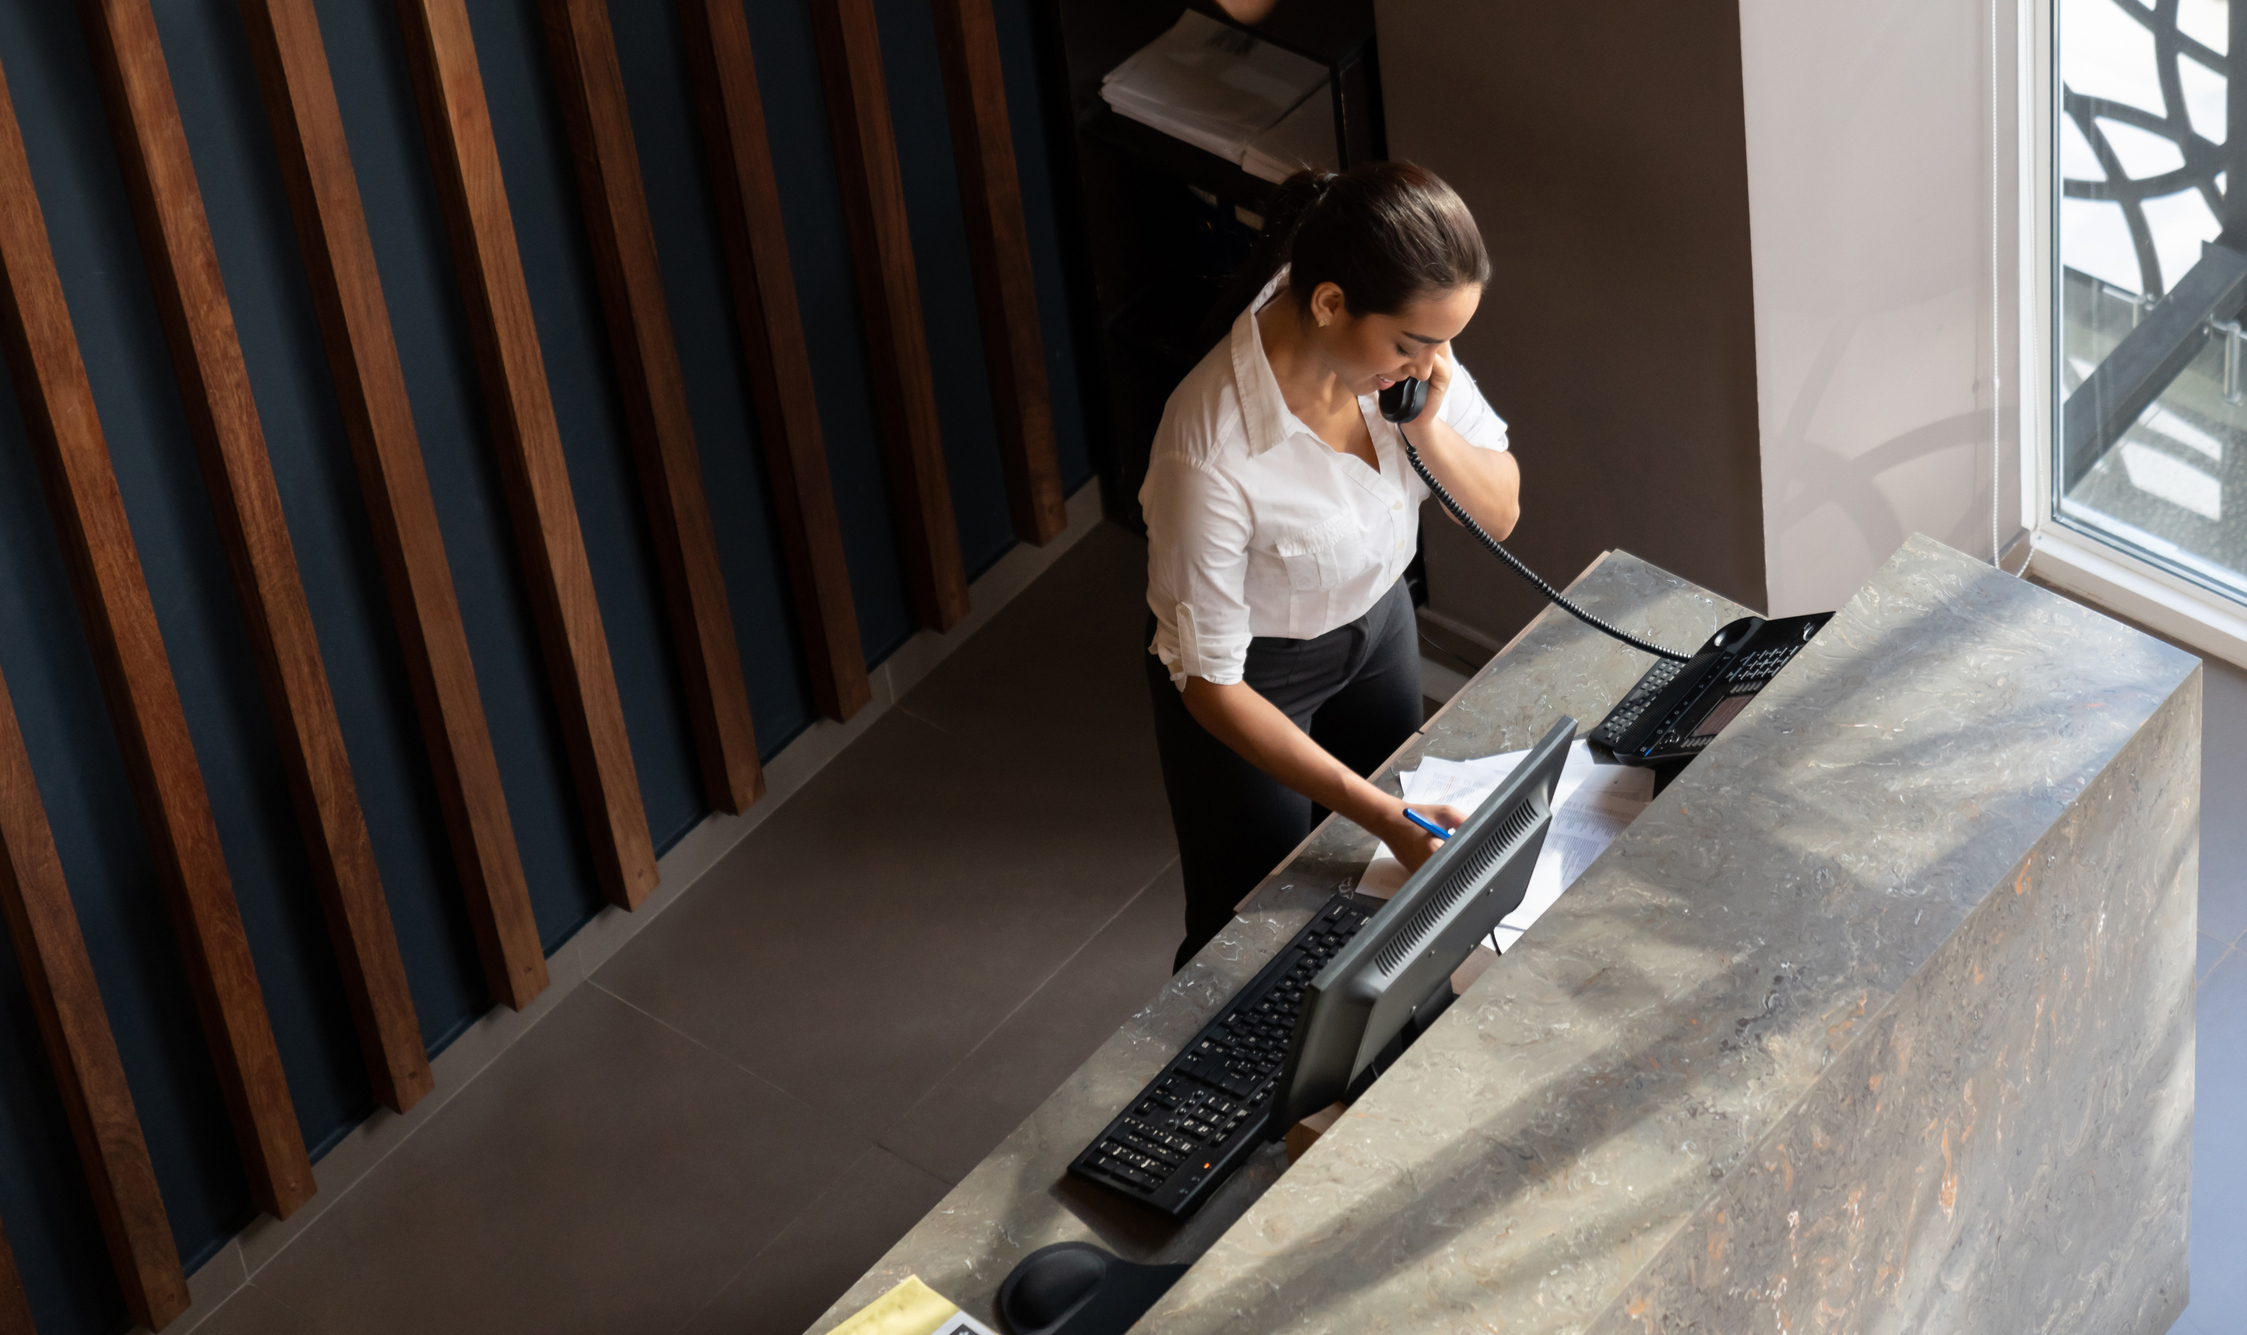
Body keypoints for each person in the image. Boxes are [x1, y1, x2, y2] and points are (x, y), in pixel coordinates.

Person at [1142, 161, 1520, 971]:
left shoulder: (1404, 351)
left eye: (1445, 342)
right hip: (1252, 678)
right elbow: (1210, 682)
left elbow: (1499, 511)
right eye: (1412, 345)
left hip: (1378, 628)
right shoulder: (1207, 448)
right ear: (1326, 305)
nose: (1430, 364)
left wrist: (1424, 426)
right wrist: (1377, 812)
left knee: (1387, 877)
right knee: (1244, 929)